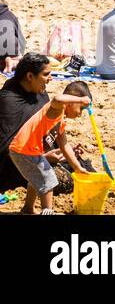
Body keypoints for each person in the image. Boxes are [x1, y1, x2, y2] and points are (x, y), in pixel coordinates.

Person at [7, 80, 92, 214]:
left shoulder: (61, 121)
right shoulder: (56, 110)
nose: (80, 114)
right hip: (24, 149)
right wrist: (81, 99)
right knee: (49, 179)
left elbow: (65, 145)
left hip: (26, 150)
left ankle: (27, 208)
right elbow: (57, 98)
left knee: (36, 179)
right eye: (81, 108)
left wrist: (77, 167)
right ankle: (47, 210)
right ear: (70, 102)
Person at [0, 0, 26, 73]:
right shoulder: (10, 15)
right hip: (15, 51)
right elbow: (22, 41)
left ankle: (12, 60)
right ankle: (13, 60)